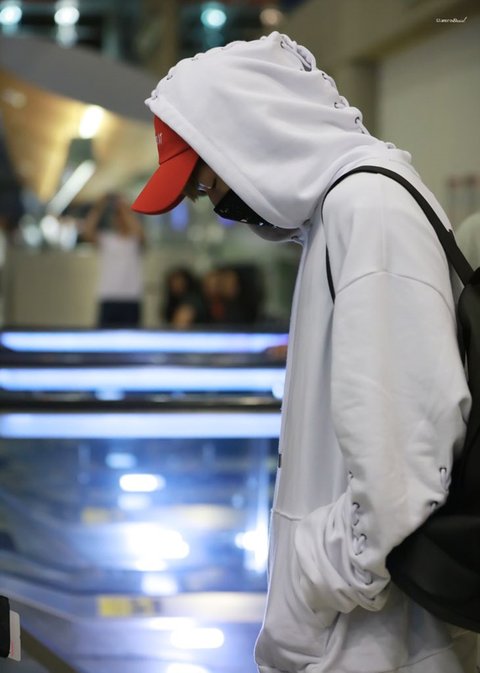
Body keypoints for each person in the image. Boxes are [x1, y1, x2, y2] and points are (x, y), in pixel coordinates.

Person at [131, 32, 474, 673]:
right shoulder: (344, 211)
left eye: (204, 178)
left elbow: (402, 477)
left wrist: (311, 578)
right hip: (358, 635)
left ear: (247, 135)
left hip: (379, 644)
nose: (210, 200)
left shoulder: (368, 209)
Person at [82, 192, 145, 328]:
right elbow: (87, 232)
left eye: (122, 216)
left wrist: (125, 209)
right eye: (117, 216)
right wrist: (98, 207)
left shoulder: (134, 241)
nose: (120, 219)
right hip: (108, 296)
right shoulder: (107, 240)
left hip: (131, 297)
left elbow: (140, 234)